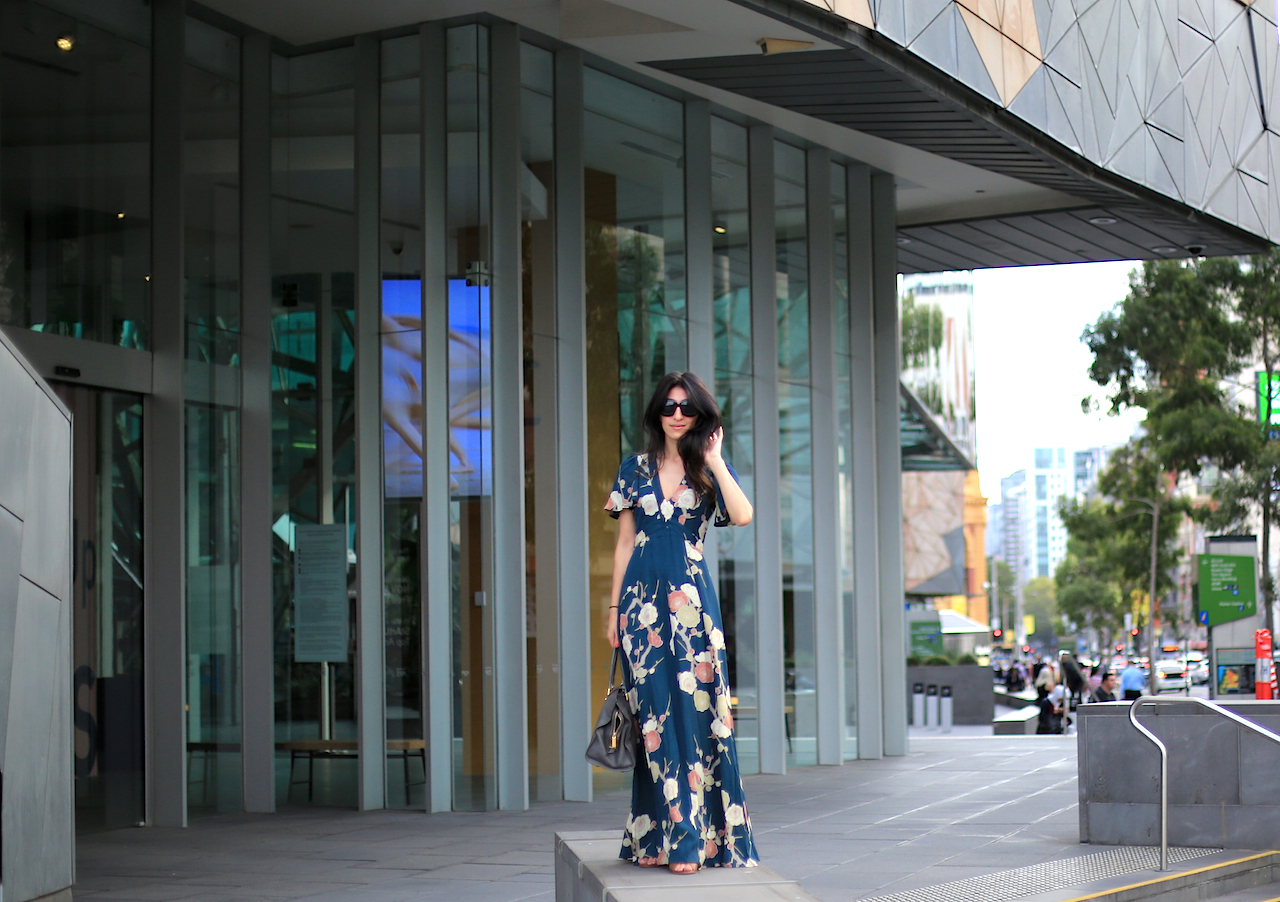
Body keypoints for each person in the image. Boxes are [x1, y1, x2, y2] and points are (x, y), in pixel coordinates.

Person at [604, 372, 759, 874]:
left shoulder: (708, 469)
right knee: (653, 720)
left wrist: (714, 457)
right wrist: (613, 612)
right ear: (657, 413)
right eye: (669, 406)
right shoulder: (634, 469)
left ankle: (692, 842)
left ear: (700, 417)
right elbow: (624, 545)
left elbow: (742, 514)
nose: (676, 414)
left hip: (693, 612)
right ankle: (655, 838)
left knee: (696, 718)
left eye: (686, 408)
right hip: (640, 610)